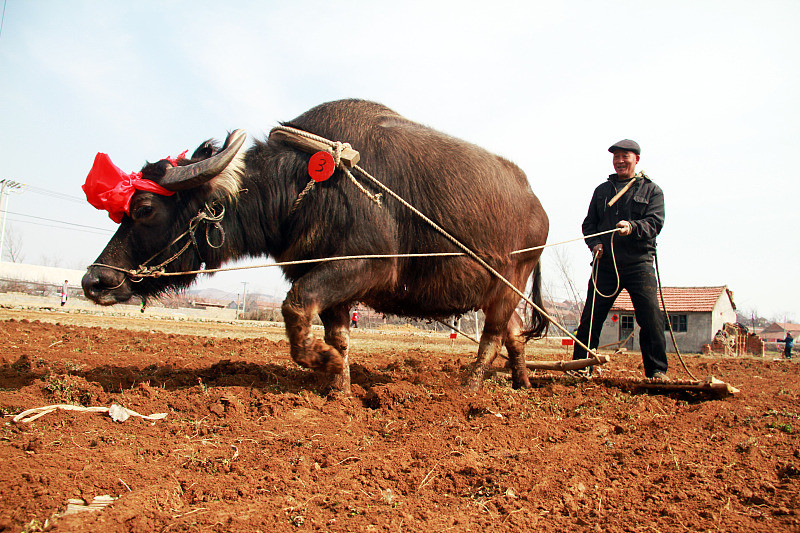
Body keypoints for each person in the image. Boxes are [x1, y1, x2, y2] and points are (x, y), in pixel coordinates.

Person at [572, 139, 669, 380]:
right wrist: (595, 244)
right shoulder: (602, 191)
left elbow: (655, 223)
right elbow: (589, 225)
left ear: (636, 159)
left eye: (625, 156)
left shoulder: (651, 190)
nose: (620, 161)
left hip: (639, 263)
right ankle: (580, 366)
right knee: (590, 318)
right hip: (605, 264)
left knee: (651, 319)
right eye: (616, 157)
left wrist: (633, 227)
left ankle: (657, 371)